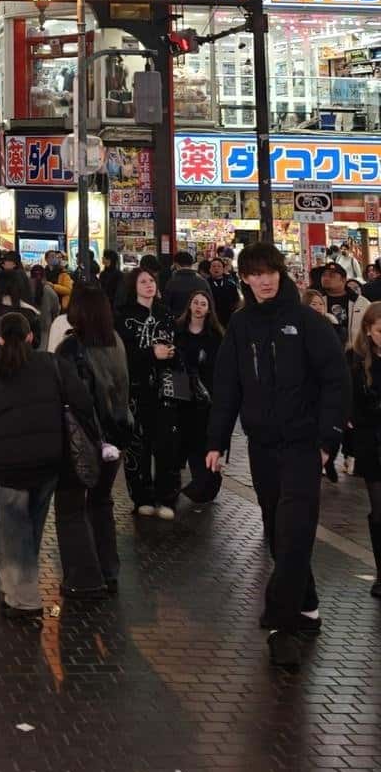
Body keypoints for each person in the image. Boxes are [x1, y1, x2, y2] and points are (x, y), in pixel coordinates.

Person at [206, 242, 350, 671]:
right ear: (245, 279)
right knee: (277, 531)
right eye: (255, 274)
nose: (264, 281)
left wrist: (328, 441)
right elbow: (227, 385)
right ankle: (307, 607)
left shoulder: (307, 322)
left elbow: (336, 380)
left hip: (304, 446)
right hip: (262, 447)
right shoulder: (240, 325)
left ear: (281, 273)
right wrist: (216, 441)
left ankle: (282, 624)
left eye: (270, 272)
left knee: (295, 531)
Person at [0, 312, 92, 619]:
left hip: (10, 462)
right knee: (33, 525)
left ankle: (21, 597)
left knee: (12, 530)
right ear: (31, 336)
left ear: (0, 339)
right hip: (48, 458)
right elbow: (82, 399)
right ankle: (20, 590)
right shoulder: (51, 363)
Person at [54, 286, 131, 597]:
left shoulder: (71, 348)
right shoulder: (116, 342)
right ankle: (108, 569)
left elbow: (66, 396)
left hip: (82, 440)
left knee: (70, 506)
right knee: (101, 502)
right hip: (116, 437)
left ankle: (83, 576)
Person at [116, 268, 180, 519]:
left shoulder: (166, 313)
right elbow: (122, 354)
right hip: (137, 388)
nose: (148, 285)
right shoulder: (124, 316)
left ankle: (167, 497)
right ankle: (142, 496)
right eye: (143, 282)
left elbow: (177, 344)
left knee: (167, 443)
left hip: (167, 386)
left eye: (151, 280)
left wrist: (172, 354)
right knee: (138, 444)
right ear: (133, 286)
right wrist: (151, 354)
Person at [175, 289, 223, 505]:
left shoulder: (215, 336)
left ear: (209, 309)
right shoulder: (178, 331)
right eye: (195, 302)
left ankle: (206, 483)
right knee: (186, 437)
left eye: (203, 304)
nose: (198, 307)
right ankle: (196, 482)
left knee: (202, 439)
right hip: (182, 390)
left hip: (206, 394)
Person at [347, 303, 381, 598]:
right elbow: (351, 404)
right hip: (372, 443)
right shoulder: (355, 360)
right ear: (369, 330)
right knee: (379, 509)